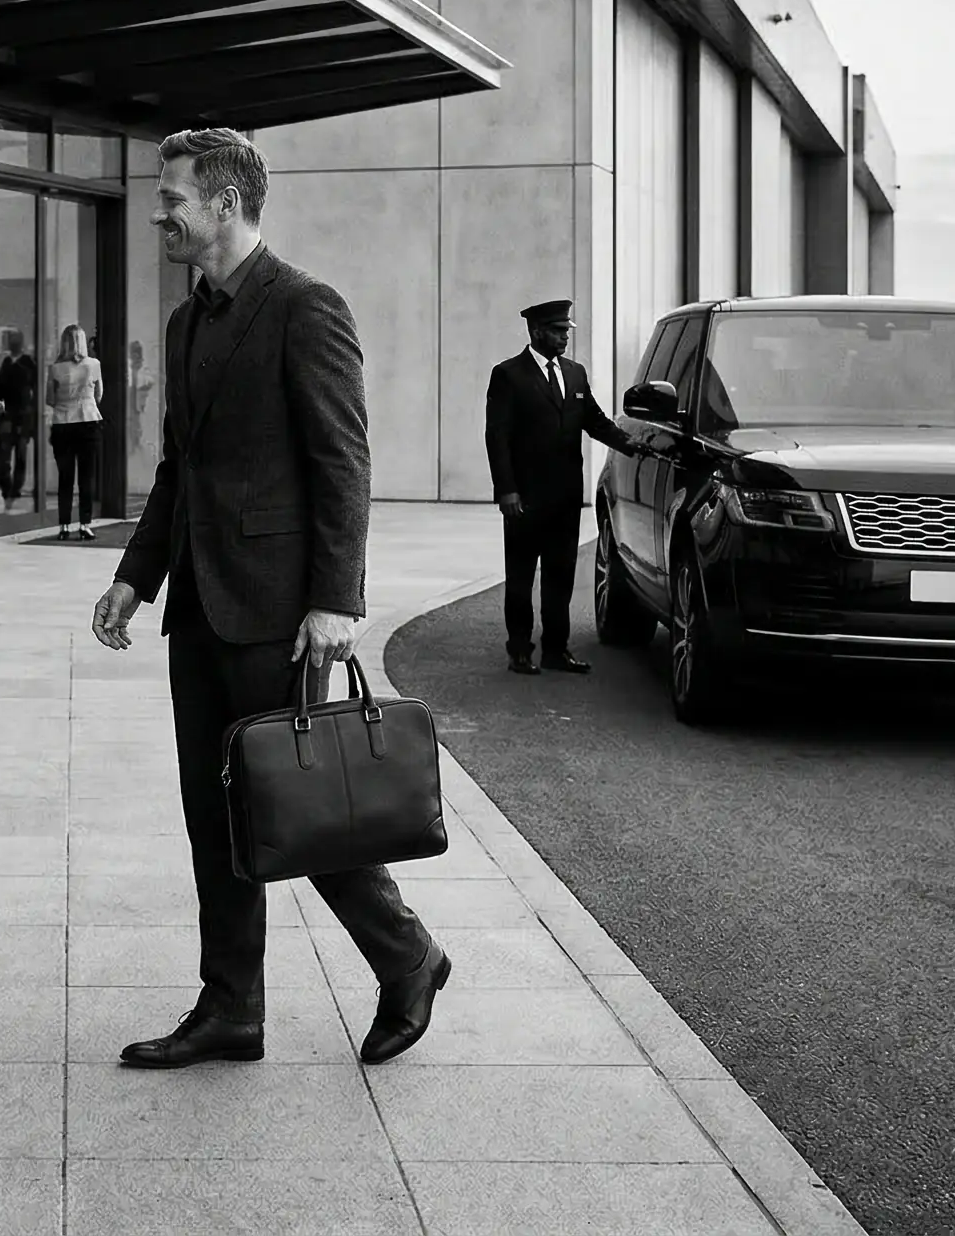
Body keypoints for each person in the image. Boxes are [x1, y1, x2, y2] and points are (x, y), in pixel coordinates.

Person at [91, 127, 446, 1069]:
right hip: (199, 610)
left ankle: (408, 956)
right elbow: (182, 468)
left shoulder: (304, 307)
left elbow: (344, 460)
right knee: (216, 815)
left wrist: (337, 599)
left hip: (281, 614)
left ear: (224, 202)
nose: (159, 210)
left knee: (295, 806)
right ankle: (233, 1009)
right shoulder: (186, 319)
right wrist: (137, 575)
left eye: (172, 196)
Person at [484, 298, 641, 674]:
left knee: (560, 577)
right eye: (556, 331)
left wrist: (631, 445)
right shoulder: (508, 375)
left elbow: (596, 421)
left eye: (566, 331)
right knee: (521, 579)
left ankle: (556, 649)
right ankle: (519, 650)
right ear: (536, 331)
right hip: (524, 499)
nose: (563, 338)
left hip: (565, 499)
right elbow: (497, 437)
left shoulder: (575, 373)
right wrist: (506, 491)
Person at [46, 323, 105, 540]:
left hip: (62, 422)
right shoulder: (94, 365)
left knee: (65, 477)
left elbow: (49, 399)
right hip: (88, 420)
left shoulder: (55, 368)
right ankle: (85, 524)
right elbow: (99, 395)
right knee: (87, 476)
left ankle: (63, 526)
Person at [0, 327, 38, 508]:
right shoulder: (6, 363)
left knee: (20, 455)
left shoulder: (28, 363)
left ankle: (15, 488)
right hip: (7, 416)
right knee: (3, 457)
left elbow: (34, 388)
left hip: (23, 415)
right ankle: (7, 486)